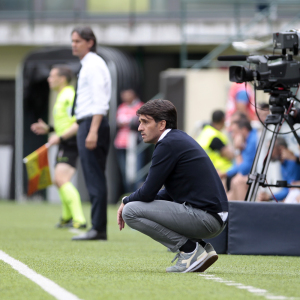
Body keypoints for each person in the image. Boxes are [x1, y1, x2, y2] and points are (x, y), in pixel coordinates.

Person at [117, 99, 228, 273]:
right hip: (212, 217)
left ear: (161, 124)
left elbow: (147, 193)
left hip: (206, 218)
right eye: (140, 122)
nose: (139, 128)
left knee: (130, 211)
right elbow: (167, 193)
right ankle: (199, 246)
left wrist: (126, 200)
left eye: (145, 122)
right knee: (135, 206)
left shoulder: (167, 143)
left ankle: (190, 250)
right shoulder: (176, 140)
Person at [49, 26, 111, 240]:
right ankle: (97, 227)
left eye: (78, 41)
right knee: (94, 176)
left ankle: (98, 229)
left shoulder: (93, 65)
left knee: (94, 177)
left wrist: (92, 131)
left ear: (90, 42)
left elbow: (100, 103)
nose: (73, 45)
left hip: (91, 123)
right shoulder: (88, 65)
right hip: (87, 123)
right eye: (72, 41)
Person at [31, 65, 86, 229]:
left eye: (51, 76)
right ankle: (67, 217)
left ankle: (79, 219)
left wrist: (59, 137)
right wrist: (50, 129)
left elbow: (78, 123)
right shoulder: (62, 95)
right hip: (65, 141)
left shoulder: (69, 95)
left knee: (61, 179)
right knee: (58, 180)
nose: (48, 79)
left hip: (70, 141)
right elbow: (67, 123)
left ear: (62, 79)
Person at [114, 89, 144, 193]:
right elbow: (119, 122)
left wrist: (127, 122)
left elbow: (137, 122)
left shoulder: (140, 106)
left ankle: (137, 194)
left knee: (136, 171)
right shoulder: (121, 107)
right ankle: (128, 194)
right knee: (124, 172)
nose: (125, 96)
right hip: (121, 143)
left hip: (135, 143)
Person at [220, 119, 258, 194]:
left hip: (255, 175)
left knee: (237, 182)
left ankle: (243, 206)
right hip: (249, 174)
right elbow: (236, 165)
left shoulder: (253, 140)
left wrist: (237, 150)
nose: (232, 135)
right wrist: (225, 173)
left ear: (243, 130)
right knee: (227, 181)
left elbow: (243, 169)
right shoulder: (246, 140)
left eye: (235, 132)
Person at [257, 137, 300, 202]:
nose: (268, 153)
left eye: (270, 149)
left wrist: (270, 196)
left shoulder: (292, 162)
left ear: (281, 148)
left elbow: (291, 188)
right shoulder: (283, 164)